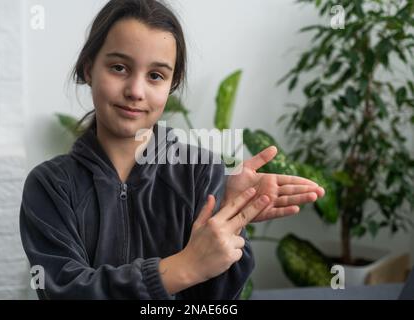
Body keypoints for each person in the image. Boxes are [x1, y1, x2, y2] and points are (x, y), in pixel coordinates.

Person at [19, 0, 325, 300]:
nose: (136, 91)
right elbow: (65, 291)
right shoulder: (49, 185)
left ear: (172, 84)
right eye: (119, 67)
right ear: (88, 68)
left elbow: (217, 299)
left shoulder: (201, 172)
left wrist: (231, 220)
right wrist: (184, 267)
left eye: (155, 75)